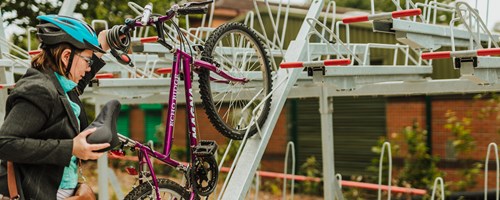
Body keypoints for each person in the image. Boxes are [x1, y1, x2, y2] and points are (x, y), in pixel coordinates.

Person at [0, 15, 114, 199]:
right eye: (87, 61)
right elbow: (5, 143)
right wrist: (70, 148)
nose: (88, 69)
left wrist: (104, 44)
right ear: (66, 56)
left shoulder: (61, 84)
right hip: (37, 193)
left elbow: (75, 87)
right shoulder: (38, 89)